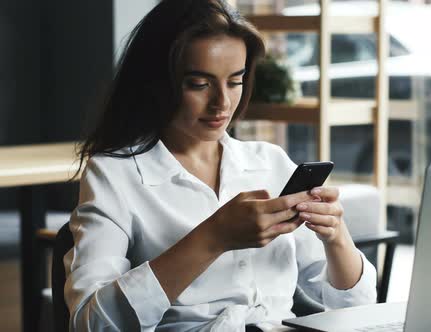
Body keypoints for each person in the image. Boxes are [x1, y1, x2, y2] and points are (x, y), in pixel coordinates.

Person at [65, 0, 377, 331]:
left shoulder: (269, 162)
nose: (222, 103)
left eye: (235, 81)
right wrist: (213, 238)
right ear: (156, 82)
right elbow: (92, 323)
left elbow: (356, 307)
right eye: (199, 84)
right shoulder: (115, 174)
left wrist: (336, 237)